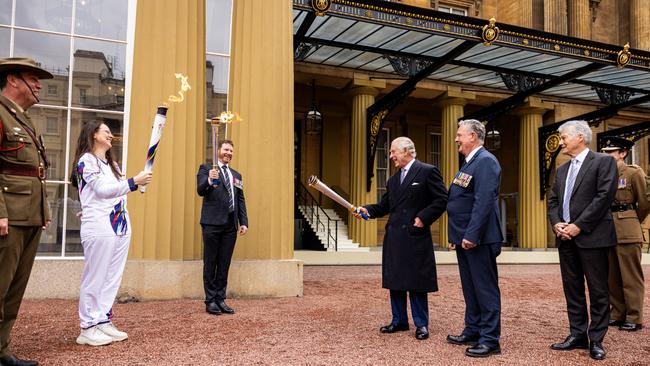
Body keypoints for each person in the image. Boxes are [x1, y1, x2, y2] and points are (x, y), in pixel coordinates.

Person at [355, 137, 447, 341]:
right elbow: (384, 206)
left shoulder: (427, 171)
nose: (390, 156)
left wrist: (423, 218)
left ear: (406, 151)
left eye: (393, 152)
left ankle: (421, 324)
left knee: (416, 281)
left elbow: (442, 199)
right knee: (395, 279)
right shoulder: (392, 180)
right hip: (395, 236)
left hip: (415, 235)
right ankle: (399, 321)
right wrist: (367, 210)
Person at [73, 120, 152, 346]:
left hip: (120, 225)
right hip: (99, 226)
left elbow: (117, 194)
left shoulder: (112, 165)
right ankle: (87, 327)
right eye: (106, 131)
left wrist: (132, 183)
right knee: (95, 276)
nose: (110, 135)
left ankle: (102, 319)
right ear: (93, 134)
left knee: (112, 277)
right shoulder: (86, 161)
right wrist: (133, 181)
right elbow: (102, 190)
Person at [547, 120, 618, 361]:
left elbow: (603, 197)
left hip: (593, 237)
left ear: (580, 137)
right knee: (572, 289)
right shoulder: (562, 169)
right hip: (565, 238)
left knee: (598, 290)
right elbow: (553, 201)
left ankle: (596, 338)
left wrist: (578, 226)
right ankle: (577, 334)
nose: (561, 141)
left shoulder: (604, 162)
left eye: (564, 137)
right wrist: (557, 223)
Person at [0, 57, 53, 366]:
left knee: (13, 289)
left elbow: (35, 171)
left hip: (28, 215)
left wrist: (43, 209)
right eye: (32, 78)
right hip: (9, 215)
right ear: (12, 80)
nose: (38, 85)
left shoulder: (24, 119)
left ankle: (2, 350)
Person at [446, 119, 503, 358]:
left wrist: (471, 235)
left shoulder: (486, 162)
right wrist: (456, 236)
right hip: (466, 237)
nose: (457, 139)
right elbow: (461, 200)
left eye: (460, 135)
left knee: (485, 289)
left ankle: (490, 340)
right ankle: (473, 329)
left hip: (479, 238)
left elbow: (483, 202)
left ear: (473, 136)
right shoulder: (470, 163)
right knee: (470, 288)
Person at [601, 136, 649, 332]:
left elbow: (645, 202)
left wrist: (631, 219)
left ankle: (634, 317)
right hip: (607, 229)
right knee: (612, 276)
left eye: (611, 152)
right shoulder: (604, 174)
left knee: (630, 277)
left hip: (627, 229)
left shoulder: (633, 173)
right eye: (605, 152)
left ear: (623, 154)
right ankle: (617, 313)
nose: (607, 155)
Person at [197, 139, 248, 315]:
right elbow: (200, 190)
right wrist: (210, 180)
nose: (229, 153)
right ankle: (210, 300)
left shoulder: (237, 175)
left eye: (231, 151)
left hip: (230, 225)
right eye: (226, 149)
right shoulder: (206, 169)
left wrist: (244, 222)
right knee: (211, 262)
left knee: (224, 263)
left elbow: (240, 199)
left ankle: (220, 298)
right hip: (211, 223)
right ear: (218, 150)